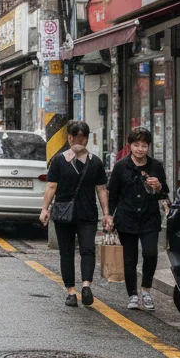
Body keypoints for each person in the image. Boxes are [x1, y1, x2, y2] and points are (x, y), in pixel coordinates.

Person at [40, 120, 111, 308]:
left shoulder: (95, 162)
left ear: (87, 139)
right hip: (65, 214)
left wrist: (106, 214)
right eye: (75, 137)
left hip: (86, 214)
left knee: (86, 250)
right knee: (68, 252)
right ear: (69, 138)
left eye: (82, 137)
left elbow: (102, 189)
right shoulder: (59, 161)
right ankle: (72, 289)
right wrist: (45, 208)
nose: (79, 140)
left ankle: (84, 286)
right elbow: (51, 186)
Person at [108, 127, 168, 311]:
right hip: (126, 217)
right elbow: (113, 195)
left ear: (149, 147)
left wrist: (158, 187)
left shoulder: (156, 166)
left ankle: (146, 291)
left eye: (144, 145)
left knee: (150, 253)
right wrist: (109, 215)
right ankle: (132, 294)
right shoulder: (121, 166)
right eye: (136, 145)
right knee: (130, 258)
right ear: (130, 146)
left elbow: (164, 192)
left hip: (149, 217)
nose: (140, 149)